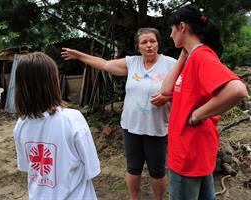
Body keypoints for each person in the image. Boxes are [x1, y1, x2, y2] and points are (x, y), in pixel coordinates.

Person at [61, 28, 177, 200]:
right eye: (144, 42)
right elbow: (105, 64)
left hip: (157, 128)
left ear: (158, 43)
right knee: (133, 167)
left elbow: (185, 90)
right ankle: (133, 197)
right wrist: (79, 55)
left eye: (152, 41)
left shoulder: (171, 64)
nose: (149, 45)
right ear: (138, 47)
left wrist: (169, 96)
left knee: (157, 170)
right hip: (131, 127)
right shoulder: (132, 63)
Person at [159, 4, 248, 200]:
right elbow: (165, 90)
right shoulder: (192, 57)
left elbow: (238, 89)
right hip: (193, 151)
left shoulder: (201, 56)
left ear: (182, 27)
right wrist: (184, 54)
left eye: (171, 29)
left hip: (189, 153)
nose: (170, 35)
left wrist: (197, 115)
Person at [13, 52, 100, 200]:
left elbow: (27, 167)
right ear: (53, 82)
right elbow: (92, 168)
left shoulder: (20, 125)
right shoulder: (72, 119)